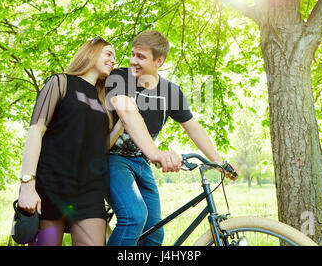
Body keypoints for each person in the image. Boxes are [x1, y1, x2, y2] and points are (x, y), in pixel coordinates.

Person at [105, 30, 239, 246]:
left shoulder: (170, 91)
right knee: (134, 218)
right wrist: (157, 154)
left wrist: (220, 162)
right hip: (113, 159)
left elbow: (193, 128)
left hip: (142, 163)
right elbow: (127, 113)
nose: (133, 61)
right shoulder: (119, 77)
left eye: (140, 57)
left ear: (159, 60)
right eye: (132, 54)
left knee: (154, 233)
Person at [17, 36, 116, 246]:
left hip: (89, 190)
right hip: (51, 186)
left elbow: (102, 146)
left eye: (114, 57)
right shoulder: (60, 82)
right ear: (91, 52)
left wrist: (124, 121)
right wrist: (27, 184)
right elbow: (36, 130)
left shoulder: (103, 101)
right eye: (108, 53)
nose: (113, 60)